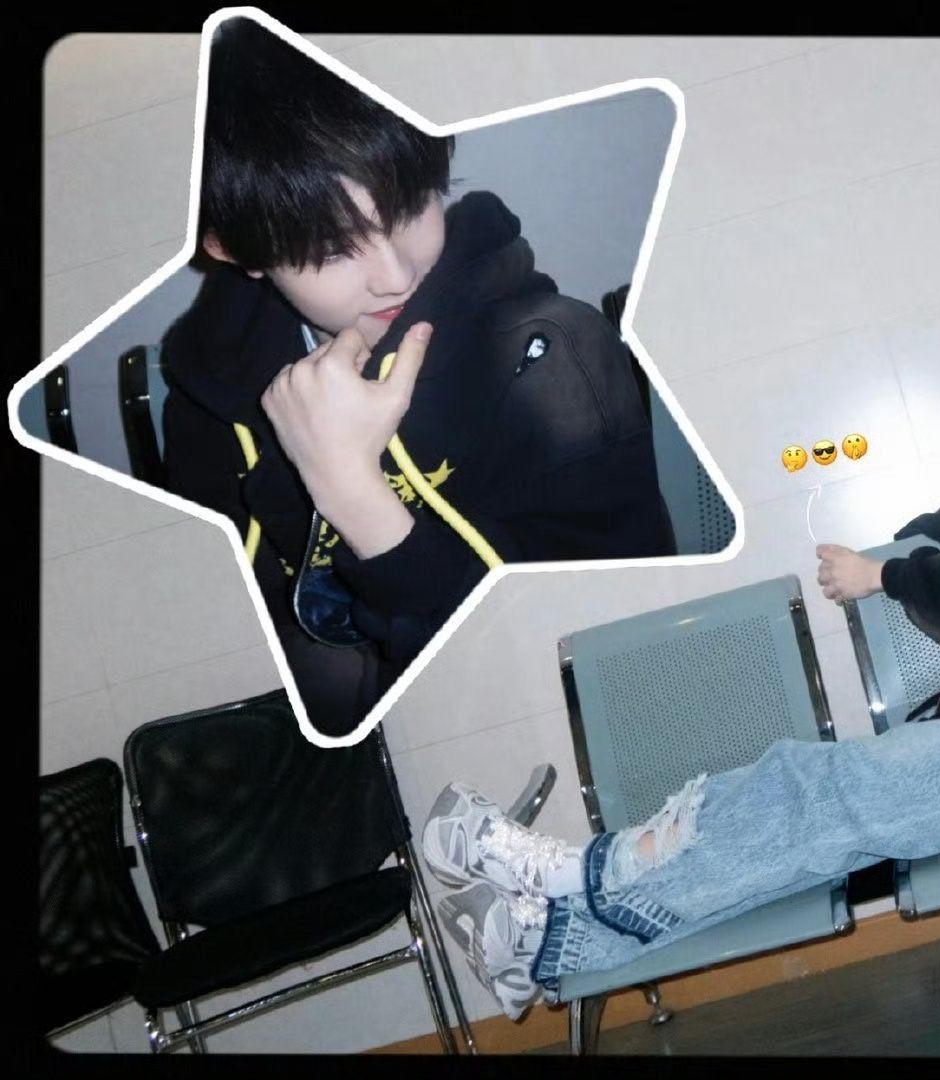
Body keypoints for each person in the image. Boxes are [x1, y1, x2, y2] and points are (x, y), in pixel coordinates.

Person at [422, 268, 940, 1020]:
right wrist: (902, 544)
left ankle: (573, 878)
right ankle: (554, 940)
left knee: (818, 795)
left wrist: (889, 577)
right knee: (811, 819)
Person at [160, 19, 676, 738]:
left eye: (407, 209)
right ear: (233, 249)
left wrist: (353, 493)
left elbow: (590, 655)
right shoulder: (212, 392)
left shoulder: (552, 358)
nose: (395, 275)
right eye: (331, 249)